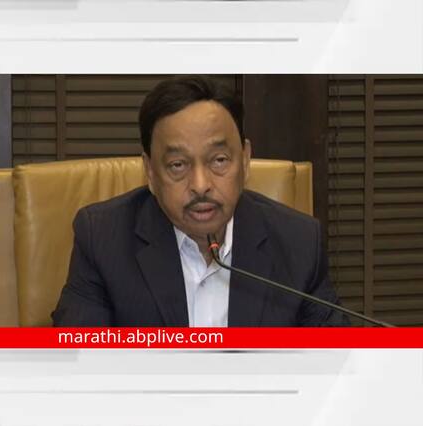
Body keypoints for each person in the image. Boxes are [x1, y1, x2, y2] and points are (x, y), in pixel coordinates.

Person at [52, 75, 349, 327]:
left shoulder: (298, 243)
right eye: (178, 165)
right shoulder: (103, 239)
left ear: (245, 160)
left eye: (219, 160)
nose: (200, 185)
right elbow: (79, 362)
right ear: (150, 172)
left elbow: (336, 362)